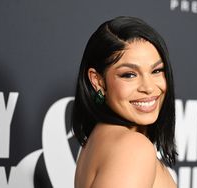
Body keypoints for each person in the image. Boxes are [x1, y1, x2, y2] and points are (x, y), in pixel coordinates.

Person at [72, 16, 177, 188]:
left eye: (157, 70)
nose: (148, 87)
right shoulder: (133, 148)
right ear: (98, 81)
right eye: (129, 75)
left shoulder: (98, 139)